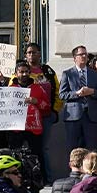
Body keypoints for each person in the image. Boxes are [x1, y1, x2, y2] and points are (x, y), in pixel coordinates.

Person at [23, 43, 61, 180]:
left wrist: (55, 110)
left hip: (45, 116)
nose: (31, 55)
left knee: (43, 148)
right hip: (26, 117)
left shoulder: (48, 71)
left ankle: (46, 177)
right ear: (25, 55)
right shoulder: (21, 70)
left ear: (40, 54)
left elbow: (58, 91)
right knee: (27, 149)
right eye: (29, 52)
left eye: (34, 52)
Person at [8, 60, 51, 174]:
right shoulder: (10, 88)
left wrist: (36, 101)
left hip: (34, 127)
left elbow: (47, 106)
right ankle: (15, 176)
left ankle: (40, 177)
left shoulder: (38, 88)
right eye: (21, 72)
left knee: (36, 152)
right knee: (14, 152)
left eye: (26, 71)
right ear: (16, 73)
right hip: (15, 127)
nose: (24, 74)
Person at [59, 45, 97, 153]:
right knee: (73, 149)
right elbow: (62, 94)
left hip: (91, 116)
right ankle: (74, 170)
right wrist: (77, 93)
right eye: (81, 54)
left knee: (92, 148)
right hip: (73, 117)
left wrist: (92, 92)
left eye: (85, 54)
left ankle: (90, 169)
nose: (84, 56)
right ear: (75, 58)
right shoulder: (68, 74)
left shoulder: (95, 74)